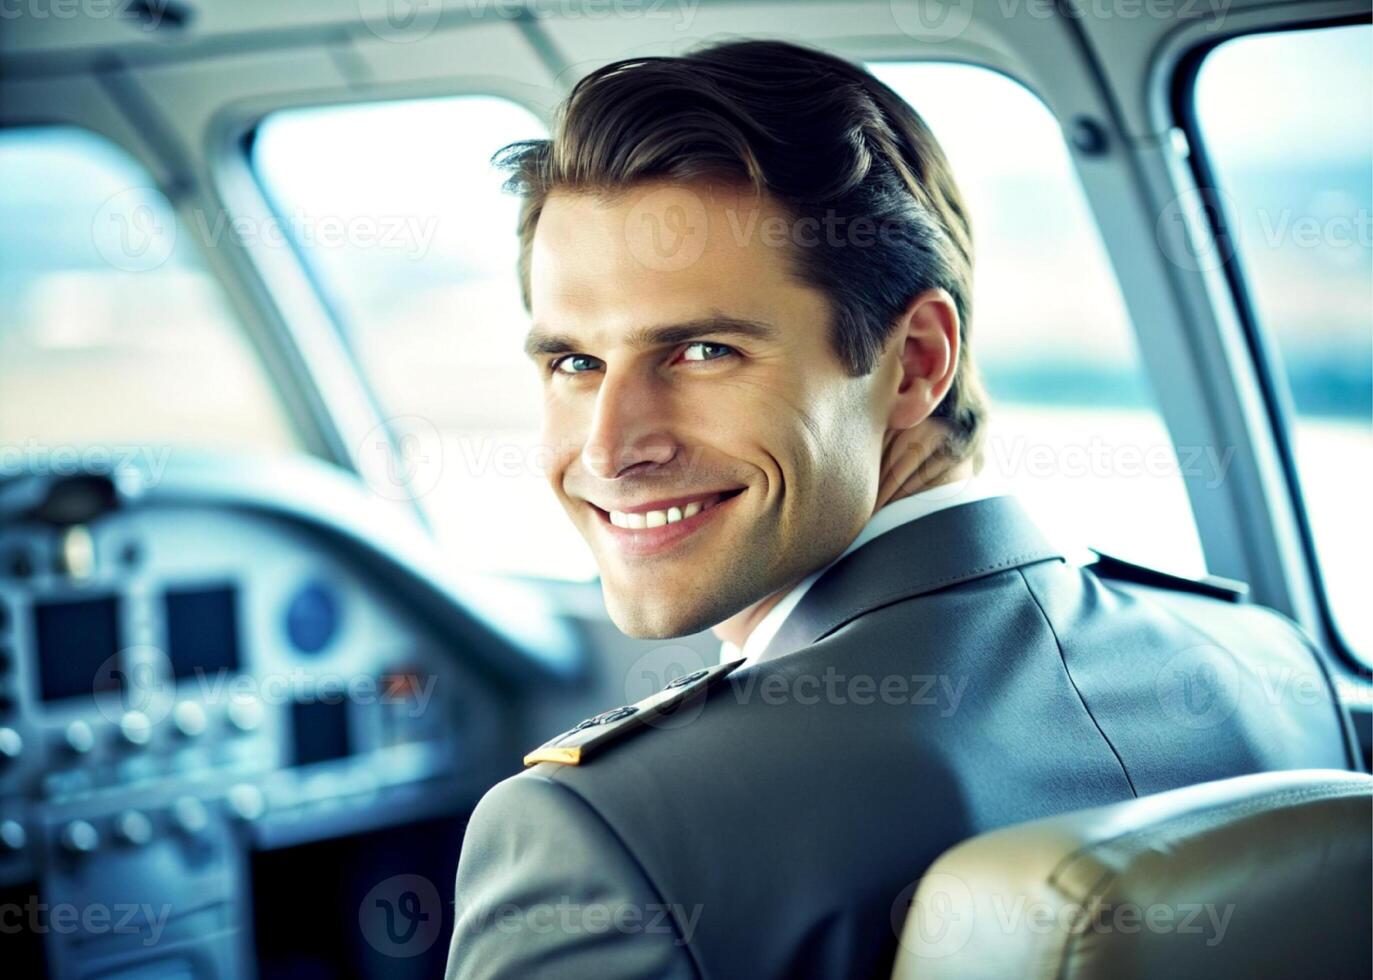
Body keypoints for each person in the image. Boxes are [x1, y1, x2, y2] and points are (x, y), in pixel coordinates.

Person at [445, 38, 1357, 979]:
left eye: (704, 352)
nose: (607, 448)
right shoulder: (1269, 662)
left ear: (916, 360)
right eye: (574, 364)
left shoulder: (603, 837)